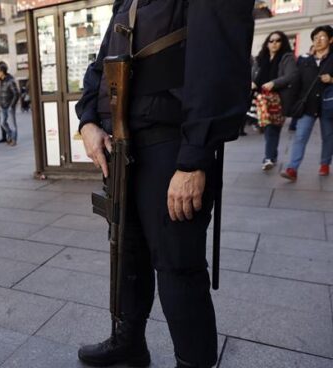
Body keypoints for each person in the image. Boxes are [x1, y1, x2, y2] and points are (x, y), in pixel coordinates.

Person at [75, 1, 254, 368]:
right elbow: (102, 62)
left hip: (172, 145)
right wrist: (88, 120)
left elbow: (218, 64)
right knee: (126, 250)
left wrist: (194, 160)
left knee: (178, 265)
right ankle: (128, 342)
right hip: (121, 143)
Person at [281, 26, 333, 181]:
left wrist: (331, 80)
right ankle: (292, 169)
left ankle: (325, 163)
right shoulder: (304, 60)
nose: (318, 40)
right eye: (315, 37)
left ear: (331, 40)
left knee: (328, 136)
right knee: (300, 136)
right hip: (307, 105)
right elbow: (296, 82)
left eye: (322, 37)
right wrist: (291, 104)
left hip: (328, 105)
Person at [251, 31, 298, 171]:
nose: (274, 43)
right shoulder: (261, 58)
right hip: (261, 99)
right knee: (270, 128)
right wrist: (253, 82)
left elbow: (292, 75)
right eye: (271, 41)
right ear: (267, 43)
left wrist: (274, 83)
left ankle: (269, 157)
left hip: (278, 99)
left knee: (272, 128)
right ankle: (272, 155)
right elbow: (254, 74)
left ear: (283, 42)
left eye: (277, 40)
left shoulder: (287, 57)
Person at [0, 62, 20, 146]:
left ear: (2, 72)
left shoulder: (10, 81)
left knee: (13, 124)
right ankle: (10, 135)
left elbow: (16, 94)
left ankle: (14, 140)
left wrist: (11, 105)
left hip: (9, 106)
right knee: (2, 123)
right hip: (2, 106)